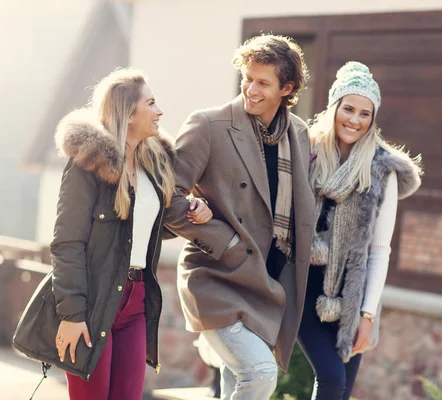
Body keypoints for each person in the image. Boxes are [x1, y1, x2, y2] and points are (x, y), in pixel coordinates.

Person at [12, 68, 212, 400]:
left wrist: (196, 209)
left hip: (135, 303)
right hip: (90, 303)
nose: (159, 111)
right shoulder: (86, 165)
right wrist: (73, 315)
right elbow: (67, 241)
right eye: (151, 103)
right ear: (128, 114)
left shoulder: (154, 165)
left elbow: (146, 230)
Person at [163, 34, 315, 399]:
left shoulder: (298, 133)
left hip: (268, 282)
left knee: (239, 380)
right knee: (260, 373)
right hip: (216, 276)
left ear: (287, 88)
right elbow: (168, 199)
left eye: (263, 82)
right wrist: (225, 241)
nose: (251, 89)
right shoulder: (208, 125)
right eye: (247, 78)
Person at [298, 61, 422, 400]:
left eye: (365, 113)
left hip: (352, 297)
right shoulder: (305, 150)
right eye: (348, 109)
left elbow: (380, 250)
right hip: (303, 287)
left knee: (341, 389)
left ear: (373, 118)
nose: (355, 120)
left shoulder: (383, 167)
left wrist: (367, 315)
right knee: (332, 378)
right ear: (334, 107)